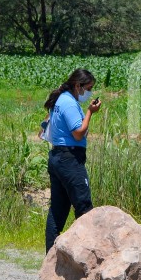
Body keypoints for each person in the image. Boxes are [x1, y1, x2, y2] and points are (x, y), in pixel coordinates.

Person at [43, 69, 102, 252]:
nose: (89, 92)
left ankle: (50, 256)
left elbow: (45, 126)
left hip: (58, 157)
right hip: (69, 159)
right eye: (88, 88)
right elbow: (78, 133)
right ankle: (87, 254)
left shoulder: (60, 100)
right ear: (78, 85)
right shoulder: (68, 103)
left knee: (58, 211)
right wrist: (90, 112)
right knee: (84, 206)